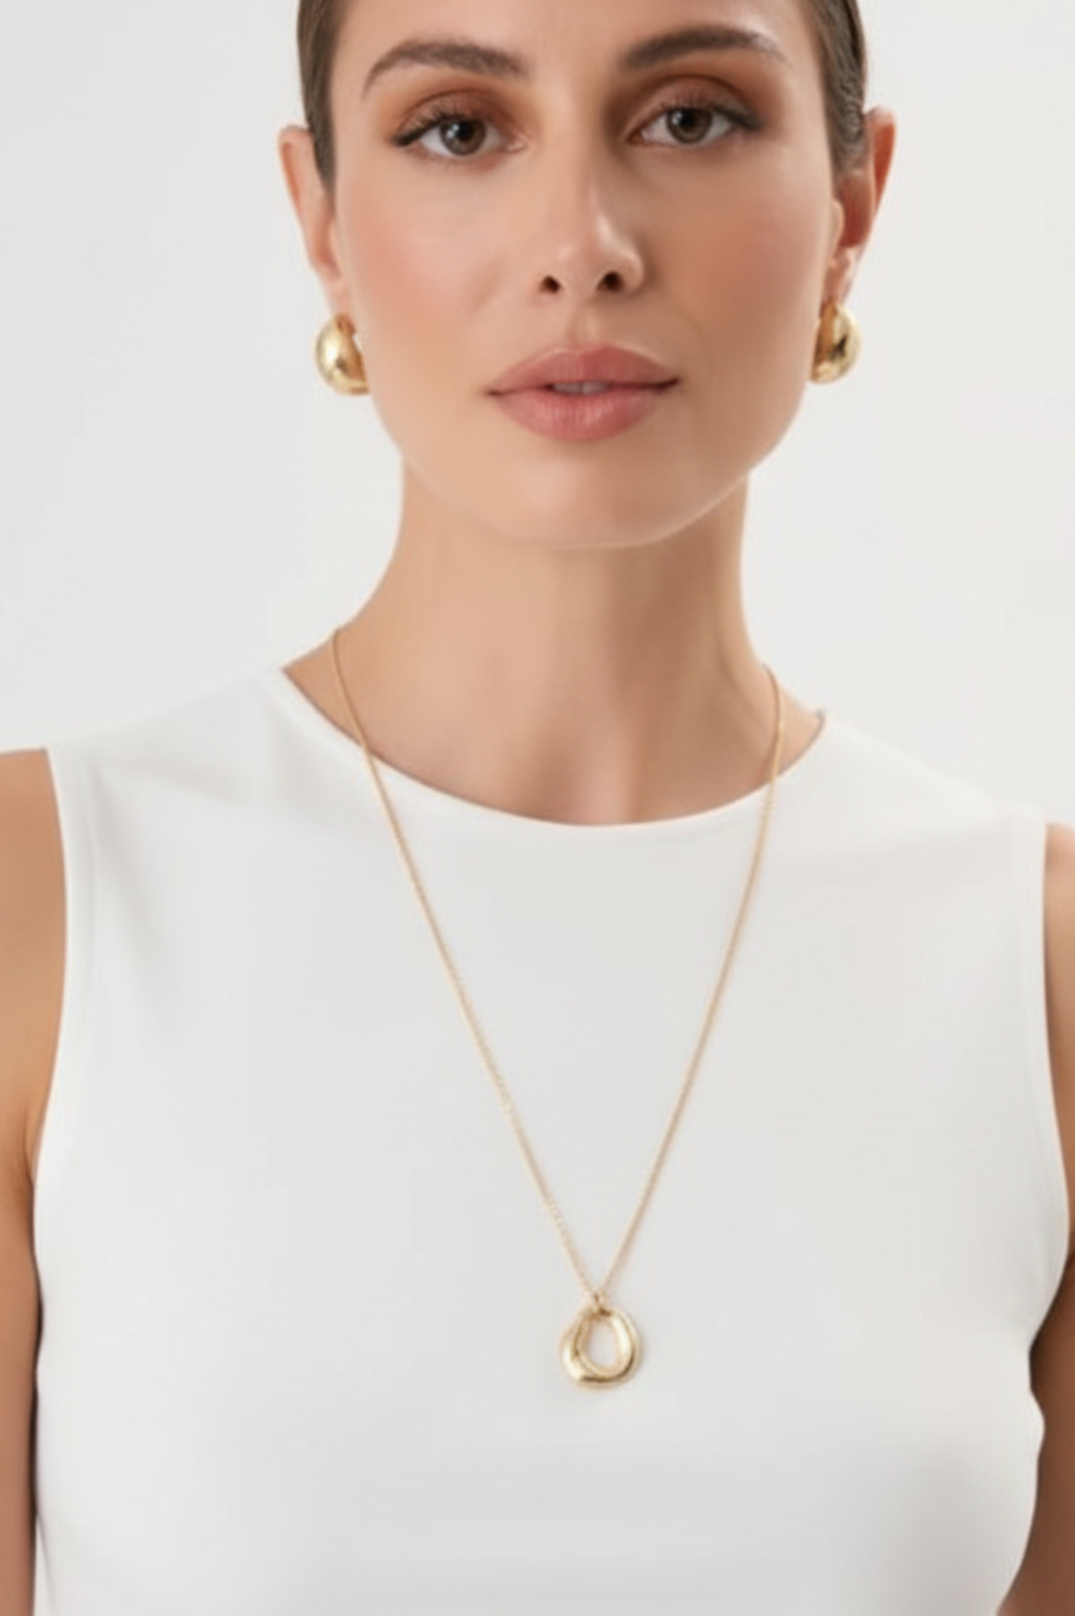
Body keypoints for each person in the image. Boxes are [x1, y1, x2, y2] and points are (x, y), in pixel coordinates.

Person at [1, 0, 1073, 1611]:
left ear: (853, 210)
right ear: (322, 223)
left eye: (692, 117)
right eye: (456, 128)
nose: (581, 246)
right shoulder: (49, 905)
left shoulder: (1034, 968)